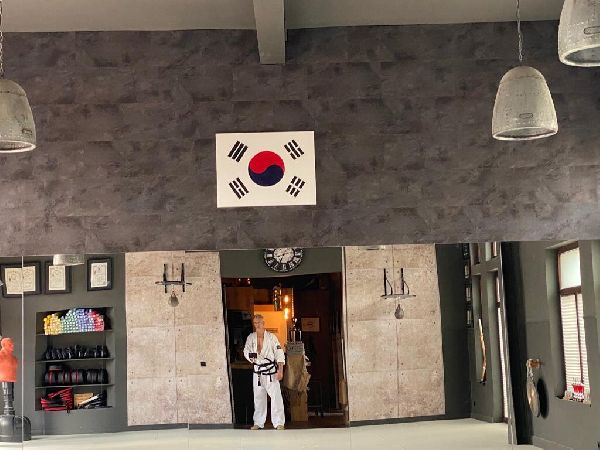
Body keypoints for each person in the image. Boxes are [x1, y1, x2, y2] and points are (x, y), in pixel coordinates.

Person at [243, 314, 285, 430]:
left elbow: (279, 354)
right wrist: (250, 357)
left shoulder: (271, 337)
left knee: (276, 397)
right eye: (255, 323)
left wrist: (280, 371)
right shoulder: (251, 337)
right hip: (258, 372)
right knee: (258, 398)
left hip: (271, 371)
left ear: (263, 323)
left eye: (259, 323)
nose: (257, 325)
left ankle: (279, 422)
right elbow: (246, 350)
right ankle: (258, 422)